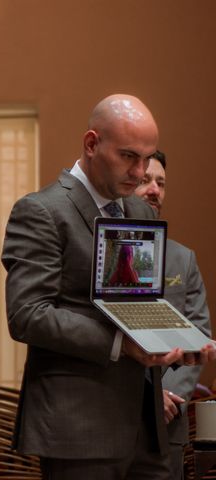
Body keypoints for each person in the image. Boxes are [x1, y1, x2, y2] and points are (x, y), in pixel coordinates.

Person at [1, 94, 216, 479]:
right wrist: (122, 345)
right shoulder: (42, 211)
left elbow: (139, 302)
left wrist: (173, 344)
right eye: (129, 156)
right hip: (78, 425)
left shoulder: (139, 212)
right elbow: (28, 315)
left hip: (150, 425)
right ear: (91, 144)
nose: (139, 171)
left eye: (147, 158)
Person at [135, 150, 211, 479]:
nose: (155, 189)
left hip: (169, 425)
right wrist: (148, 395)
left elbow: (199, 333)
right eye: (145, 180)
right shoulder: (100, 252)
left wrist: (166, 397)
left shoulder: (183, 259)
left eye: (161, 183)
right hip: (112, 418)